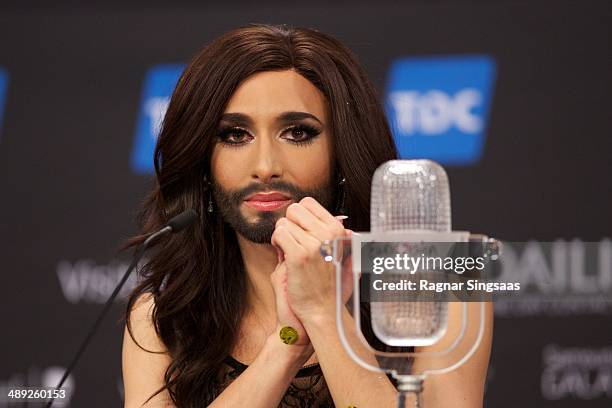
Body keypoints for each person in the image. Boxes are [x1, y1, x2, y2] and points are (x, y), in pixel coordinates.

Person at [121, 24, 493, 408]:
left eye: (297, 133)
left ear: (343, 151)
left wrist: (324, 313)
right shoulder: (163, 317)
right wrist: (286, 347)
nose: (265, 166)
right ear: (203, 164)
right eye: (234, 136)